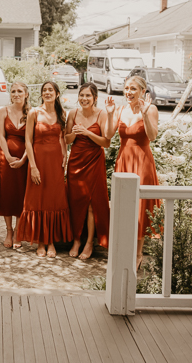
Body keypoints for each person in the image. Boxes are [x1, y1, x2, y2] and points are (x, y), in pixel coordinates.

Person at [104, 75, 161, 271]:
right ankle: (123, 249)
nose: (128, 92)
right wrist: (111, 114)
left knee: (140, 207)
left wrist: (145, 114)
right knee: (123, 206)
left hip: (142, 162)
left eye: (133, 89)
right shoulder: (120, 109)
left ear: (143, 91)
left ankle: (138, 253)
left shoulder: (151, 109)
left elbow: (152, 136)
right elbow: (109, 135)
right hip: (124, 161)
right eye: (126, 88)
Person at [16, 81, 72, 258]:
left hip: (55, 162)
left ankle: (51, 241)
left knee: (53, 200)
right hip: (38, 161)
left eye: (51, 90)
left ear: (57, 94)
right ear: (41, 94)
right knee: (38, 199)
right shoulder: (34, 112)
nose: (47, 93)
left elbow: (62, 138)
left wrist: (65, 159)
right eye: (44, 90)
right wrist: (32, 167)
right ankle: (40, 241)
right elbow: (28, 141)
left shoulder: (61, 113)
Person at [64, 82, 111, 260]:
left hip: (94, 161)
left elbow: (106, 142)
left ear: (95, 98)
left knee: (92, 204)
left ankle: (90, 242)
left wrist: (87, 132)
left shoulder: (102, 114)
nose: (84, 99)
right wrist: (75, 134)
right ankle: (76, 239)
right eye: (81, 95)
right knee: (75, 201)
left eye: (88, 96)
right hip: (76, 161)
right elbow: (67, 139)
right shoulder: (73, 113)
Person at [0, 82, 30, 249]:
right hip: (5, 158)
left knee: (21, 195)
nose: (16, 94)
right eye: (13, 91)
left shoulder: (32, 112)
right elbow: (1, 136)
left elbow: (31, 140)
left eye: (19, 91)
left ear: (26, 94)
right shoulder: (4, 111)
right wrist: (9, 157)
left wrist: (24, 159)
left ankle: (18, 230)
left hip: (25, 159)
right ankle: (9, 231)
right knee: (7, 195)